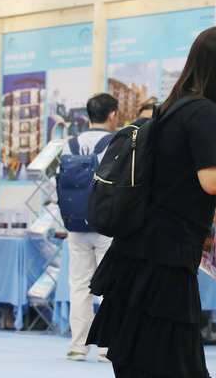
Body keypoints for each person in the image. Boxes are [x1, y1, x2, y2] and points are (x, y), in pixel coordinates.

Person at [86, 26, 216, 378]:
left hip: (144, 247)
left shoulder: (173, 105)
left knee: (139, 354)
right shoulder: (205, 112)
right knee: (171, 360)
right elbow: (212, 179)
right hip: (165, 254)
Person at [62, 93, 119, 362]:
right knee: (110, 284)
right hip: (105, 224)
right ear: (112, 116)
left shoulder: (70, 144)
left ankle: (77, 345)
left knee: (78, 284)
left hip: (75, 223)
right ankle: (106, 347)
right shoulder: (114, 142)